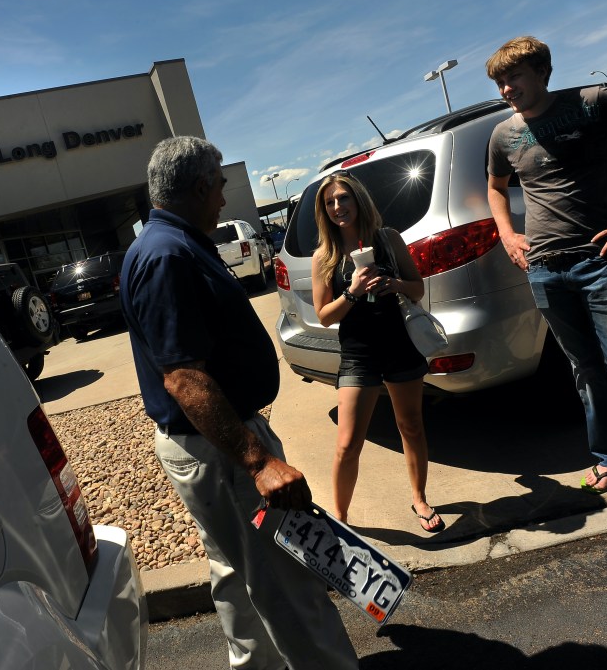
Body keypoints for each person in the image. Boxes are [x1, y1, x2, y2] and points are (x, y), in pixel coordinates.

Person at [120, 136, 359, 670]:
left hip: (208, 442)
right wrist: (260, 460)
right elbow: (183, 377)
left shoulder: (171, 245)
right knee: (285, 581)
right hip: (222, 447)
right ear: (201, 186)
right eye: (220, 188)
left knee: (235, 570)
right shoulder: (166, 256)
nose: (224, 201)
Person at [484, 36, 607, 494]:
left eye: (514, 78)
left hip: (598, 260)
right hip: (545, 268)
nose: (507, 89)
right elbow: (495, 187)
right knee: (585, 370)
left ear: (543, 73)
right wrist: (508, 235)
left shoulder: (594, 103)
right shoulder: (503, 134)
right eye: (500, 82)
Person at [310, 171, 443, 532]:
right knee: (348, 443)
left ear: (358, 200)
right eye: (330, 202)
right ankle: (340, 520)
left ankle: (419, 498)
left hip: (398, 344)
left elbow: (416, 289)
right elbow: (324, 316)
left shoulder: (388, 239)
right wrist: (351, 292)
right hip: (358, 354)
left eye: (344, 198)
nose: (338, 207)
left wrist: (394, 283)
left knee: (411, 426)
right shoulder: (325, 255)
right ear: (324, 211)